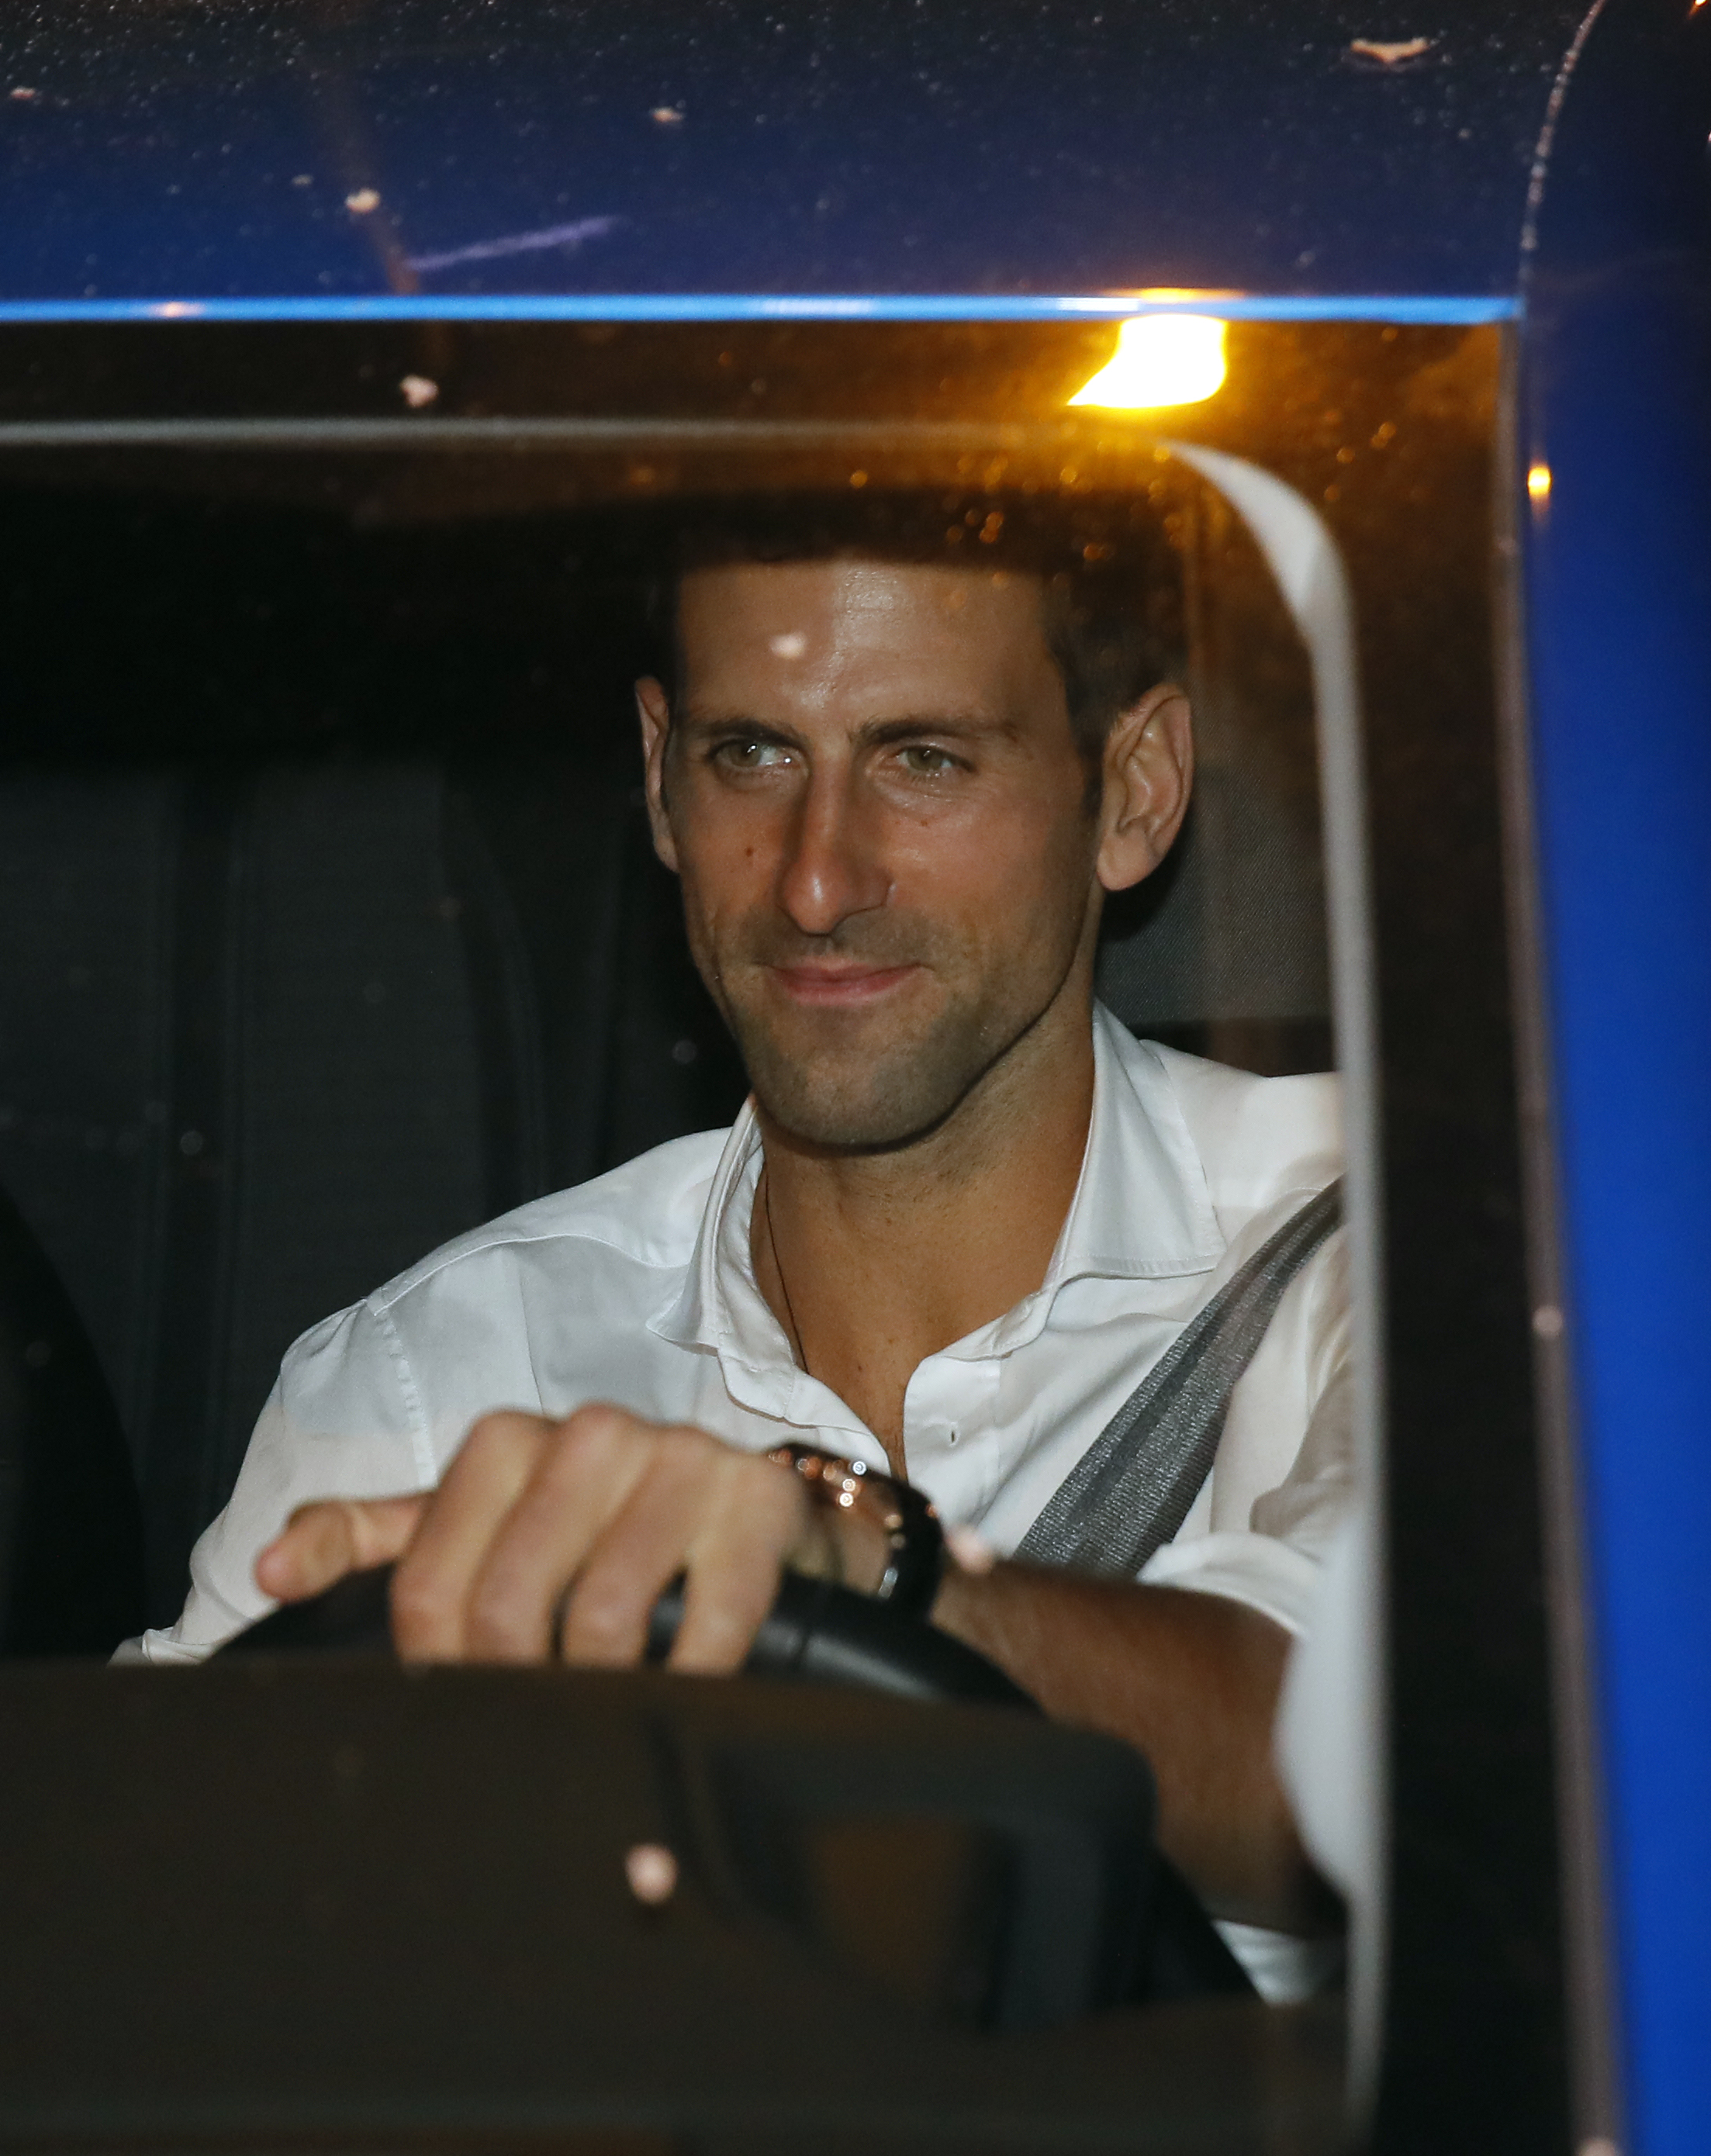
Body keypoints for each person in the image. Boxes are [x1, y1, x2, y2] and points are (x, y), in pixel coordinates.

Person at [139, 499, 1351, 1968]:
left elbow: (1371, 1744)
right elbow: (143, 1932)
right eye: (753, 755)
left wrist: (855, 1573)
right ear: (659, 778)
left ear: (1136, 792)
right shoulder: (435, 1384)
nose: (816, 880)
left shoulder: (1394, 1244)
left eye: (925, 759)